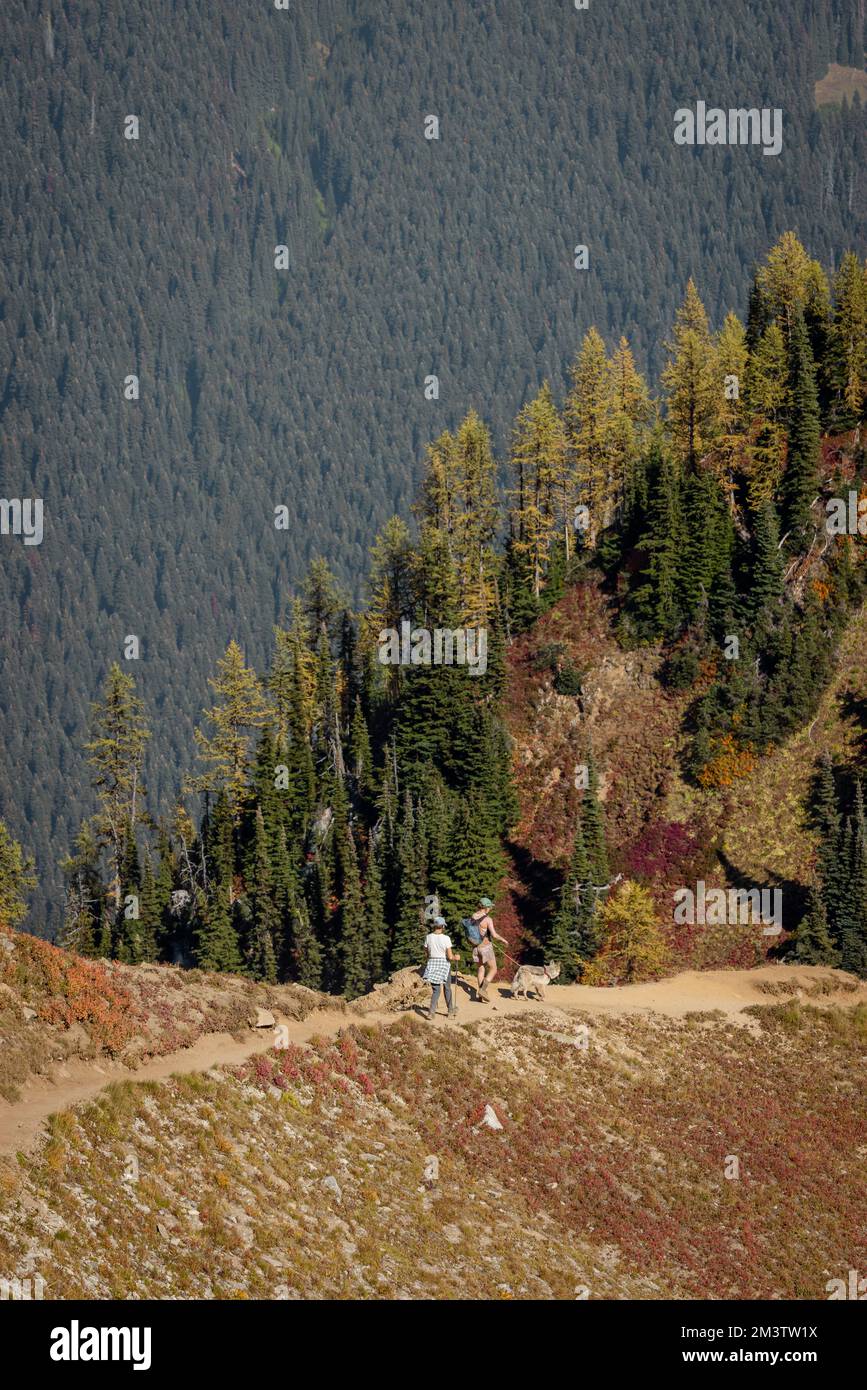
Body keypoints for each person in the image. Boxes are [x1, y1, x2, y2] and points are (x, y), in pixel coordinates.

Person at [422, 916, 460, 1019]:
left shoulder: (428, 937)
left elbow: (425, 951)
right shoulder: (446, 938)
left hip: (432, 963)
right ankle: (450, 1012)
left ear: (434, 926)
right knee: (447, 988)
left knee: (436, 990)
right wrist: (456, 957)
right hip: (444, 964)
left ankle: (431, 1012)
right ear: (442, 926)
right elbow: (450, 956)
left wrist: (429, 957)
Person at [471, 896, 507, 1001]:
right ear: (486, 907)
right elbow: (494, 935)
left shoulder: (473, 916)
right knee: (493, 969)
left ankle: (480, 996)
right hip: (485, 947)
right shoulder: (487, 919)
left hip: (475, 947)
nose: (491, 909)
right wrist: (503, 940)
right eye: (490, 907)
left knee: (481, 968)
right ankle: (483, 990)